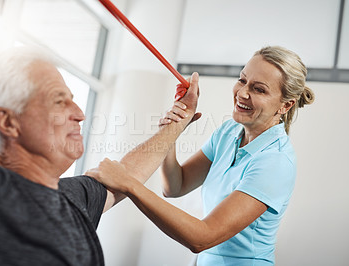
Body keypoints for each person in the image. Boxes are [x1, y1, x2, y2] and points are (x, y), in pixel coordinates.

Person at [0, 46, 200, 265]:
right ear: (8, 122)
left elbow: (127, 173)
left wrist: (180, 119)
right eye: (59, 102)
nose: (79, 114)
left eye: (73, 100)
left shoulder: (71, 198)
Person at [87, 46, 315, 265]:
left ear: (285, 105)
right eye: (242, 80)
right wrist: (173, 129)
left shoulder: (274, 162)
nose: (242, 93)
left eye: (259, 89)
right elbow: (175, 186)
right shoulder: (228, 132)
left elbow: (202, 237)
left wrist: (129, 183)